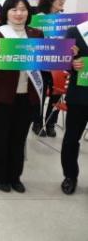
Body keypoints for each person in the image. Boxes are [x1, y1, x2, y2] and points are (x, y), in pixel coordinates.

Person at [0, 0, 43, 193]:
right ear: (6, 12)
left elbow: (44, 60)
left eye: (23, 9)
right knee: (1, 135)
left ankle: (15, 176)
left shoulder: (36, 34)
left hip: (28, 95)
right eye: (14, 9)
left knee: (20, 136)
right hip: (2, 95)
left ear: (29, 12)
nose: (19, 13)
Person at [31, 0, 67, 137]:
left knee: (56, 94)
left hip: (58, 63)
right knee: (39, 94)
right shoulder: (39, 18)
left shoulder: (64, 19)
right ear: (50, 0)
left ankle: (51, 122)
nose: (62, 1)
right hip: (41, 63)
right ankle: (37, 123)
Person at [60, 21, 88, 195]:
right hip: (80, 95)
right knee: (71, 139)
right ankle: (70, 176)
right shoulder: (76, 31)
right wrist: (71, 63)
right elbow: (62, 58)